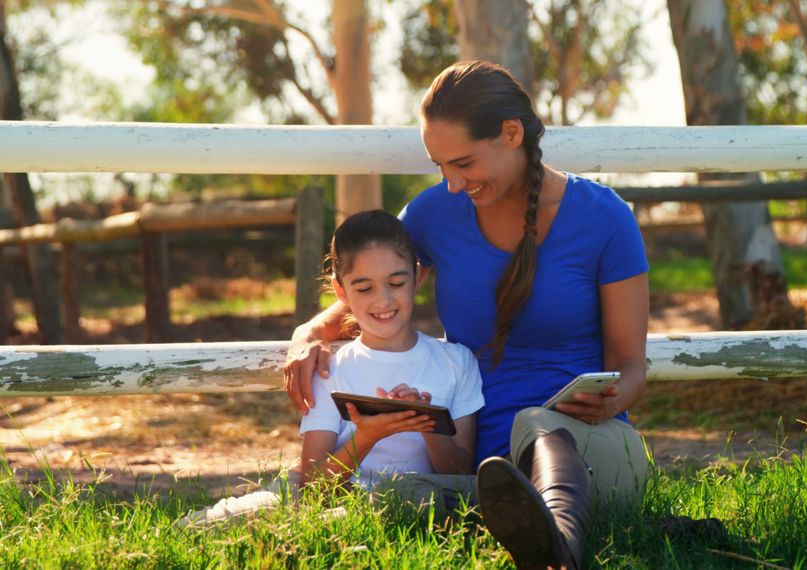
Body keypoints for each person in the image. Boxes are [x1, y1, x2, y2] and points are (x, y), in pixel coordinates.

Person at [284, 61, 650, 569]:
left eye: (463, 164)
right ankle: (531, 527)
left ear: (511, 133)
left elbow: (631, 365)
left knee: (539, 427)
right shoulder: (435, 214)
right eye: (440, 167)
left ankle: (557, 542)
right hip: (477, 466)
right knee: (402, 496)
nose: (453, 184)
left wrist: (609, 402)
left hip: (585, 449)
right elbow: (376, 290)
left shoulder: (605, 218)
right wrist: (309, 332)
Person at [178, 210, 484, 528]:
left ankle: (317, 528)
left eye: (396, 282)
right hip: (329, 494)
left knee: (397, 500)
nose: (383, 300)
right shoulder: (331, 367)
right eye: (364, 289)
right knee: (201, 527)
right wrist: (367, 436)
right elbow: (312, 483)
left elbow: (460, 474)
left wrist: (427, 424)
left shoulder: (456, 362)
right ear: (341, 291)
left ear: (417, 276)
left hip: (407, 497)